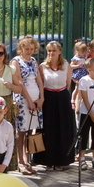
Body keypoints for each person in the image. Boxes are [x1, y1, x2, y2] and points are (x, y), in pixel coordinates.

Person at [36, 41, 75, 170]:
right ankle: (47, 160)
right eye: (49, 50)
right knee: (48, 129)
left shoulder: (66, 65)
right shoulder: (42, 66)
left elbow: (68, 84)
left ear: (59, 52)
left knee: (63, 128)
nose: (51, 53)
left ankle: (61, 160)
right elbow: (41, 84)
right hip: (48, 98)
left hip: (62, 98)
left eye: (54, 50)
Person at [10, 37, 43, 175]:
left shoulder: (33, 61)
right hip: (23, 100)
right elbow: (20, 82)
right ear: (21, 48)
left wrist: (41, 98)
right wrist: (29, 100)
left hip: (36, 99)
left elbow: (39, 80)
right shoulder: (16, 61)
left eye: (31, 49)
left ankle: (27, 159)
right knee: (21, 131)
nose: (29, 51)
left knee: (30, 130)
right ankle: (20, 161)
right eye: (26, 48)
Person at [70, 40, 89, 110]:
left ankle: (82, 100)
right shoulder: (76, 58)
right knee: (77, 87)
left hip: (84, 73)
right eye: (83, 52)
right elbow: (70, 66)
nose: (84, 53)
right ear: (78, 51)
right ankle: (73, 100)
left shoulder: (84, 56)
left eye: (85, 51)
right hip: (79, 73)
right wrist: (77, 66)